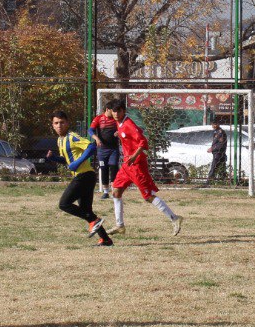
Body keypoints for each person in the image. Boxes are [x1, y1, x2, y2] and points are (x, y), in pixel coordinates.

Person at [105, 99, 183, 236]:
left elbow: (143, 141)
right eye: (114, 111)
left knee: (148, 196)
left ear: (124, 111)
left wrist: (134, 156)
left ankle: (174, 218)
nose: (116, 113)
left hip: (136, 166)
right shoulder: (119, 122)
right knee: (116, 192)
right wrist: (121, 135)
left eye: (118, 111)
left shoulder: (128, 124)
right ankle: (120, 226)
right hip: (126, 166)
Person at [51, 111, 114, 246]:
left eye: (62, 122)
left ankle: (95, 221)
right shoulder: (60, 140)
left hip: (84, 176)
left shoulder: (72, 137)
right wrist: (53, 158)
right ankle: (105, 239)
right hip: (85, 177)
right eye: (56, 123)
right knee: (86, 211)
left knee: (64, 204)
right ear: (52, 125)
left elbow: (91, 146)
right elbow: (67, 160)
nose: (59, 125)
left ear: (67, 123)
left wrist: (78, 163)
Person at [90, 105, 121, 198]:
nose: (115, 113)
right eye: (113, 110)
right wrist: (96, 138)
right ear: (107, 109)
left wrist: (119, 132)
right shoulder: (99, 119)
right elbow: (90, 130)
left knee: (114, 166)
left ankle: (114, 190)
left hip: (113, 149)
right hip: (102, 150)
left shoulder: (116, 119)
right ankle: (105, 192)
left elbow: (122, 128)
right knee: (104, 169)